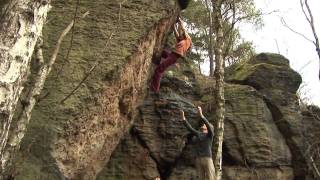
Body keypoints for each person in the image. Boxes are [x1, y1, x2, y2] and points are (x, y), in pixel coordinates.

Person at [151, 16, 192, 93]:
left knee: (158, 70)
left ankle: (155, 90)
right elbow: (177, 34)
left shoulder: (188, 40)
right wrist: (174, 26)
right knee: (161, 52)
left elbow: (183, 29)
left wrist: (180, 21)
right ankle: (155, 59)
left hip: (174, 57)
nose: (181, 34)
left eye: (183, 34)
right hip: (172, 55)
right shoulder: (182, 40)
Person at [180, 106, 216, 180]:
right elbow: (190, 128)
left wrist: (201, 115)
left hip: (207, 159)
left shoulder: (210, 135)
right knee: (200, 177)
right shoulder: (199, 134)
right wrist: (183, 118)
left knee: (211, 177)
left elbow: (208, 125)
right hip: (198, 159)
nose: (203, 124)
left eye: (205, 125)